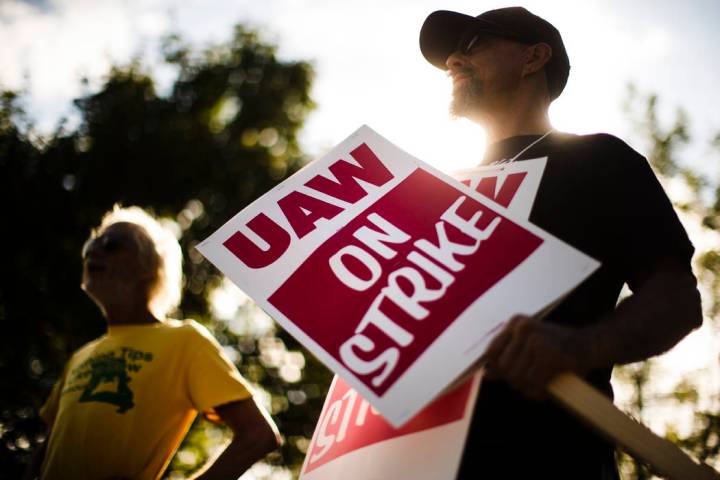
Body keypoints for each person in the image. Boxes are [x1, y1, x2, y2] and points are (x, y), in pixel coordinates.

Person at [419, 7, 702, 479]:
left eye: (472, 44)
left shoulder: (597, 160)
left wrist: (581, 345)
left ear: (534, 57)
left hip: (551, 459)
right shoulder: (434, 190)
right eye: (451, 55)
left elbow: (676, 302)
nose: (453, 61)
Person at [24, 205, 280, 480]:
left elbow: (258, 436)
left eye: (111, 244)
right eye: (90, 244)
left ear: (148, 265)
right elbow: (45, 453)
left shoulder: (185, 341)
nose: (92, 252)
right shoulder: (80, 356)